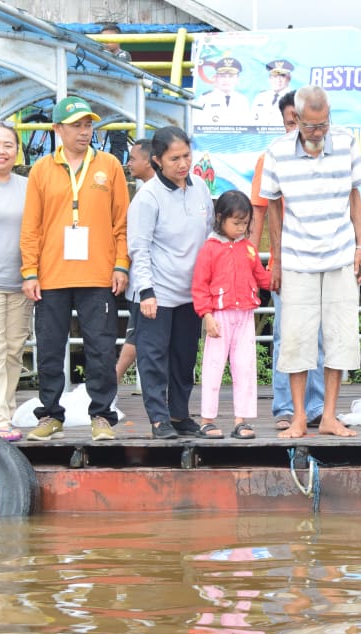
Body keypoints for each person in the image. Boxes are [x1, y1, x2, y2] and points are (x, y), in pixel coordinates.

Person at [261, 85, 361, 439]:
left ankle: (328, 415)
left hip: (340, 254)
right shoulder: (277, 151)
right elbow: (273, 206)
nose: (317, 132)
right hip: (296, 258)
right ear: (295, 120)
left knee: (340, 338)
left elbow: (355, 195)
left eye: (323, 124)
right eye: (310, 126)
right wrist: (276, 259)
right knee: (296, 340)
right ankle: (298, 417)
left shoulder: (346, 143)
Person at [20, 96, 130, 441]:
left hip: (99, 274)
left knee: (100, 347)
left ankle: (101, 416)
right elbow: (31, 227)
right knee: (51, 348)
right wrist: (30, 271)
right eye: (76, 125)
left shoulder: (109, 165)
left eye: (88, 125)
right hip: (51, 275)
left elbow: (122, 223)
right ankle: (50, 415)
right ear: (58, 129)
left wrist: (121, 264)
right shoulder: (40, 169)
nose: (84, 132)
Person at [127, 126, 213, 439]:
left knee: (184, 357)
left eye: (186, 156)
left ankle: (179, 415)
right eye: (174, 158)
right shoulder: (148, 197)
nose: (182, 163)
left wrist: (206, 285)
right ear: (157, 161)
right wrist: (146, 291)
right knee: (153, 357)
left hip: (190, 291)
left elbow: (207, 235)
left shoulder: (200, 188)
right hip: (156, 292)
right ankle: (158, 418)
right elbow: (139, 247)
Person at [249, 90, 325, 431]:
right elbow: (258, 213)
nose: (294, 129)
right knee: (285, 336)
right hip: (285, 264)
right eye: (289, 123)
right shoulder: (271, 158)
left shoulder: (327, 155)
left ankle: (318, 406)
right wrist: (248, 263)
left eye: (300, 122)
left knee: (320, 337)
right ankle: (283, 407)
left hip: (322, 261)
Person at [191, 191, 272, 440]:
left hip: (245, 316)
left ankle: (241, 420)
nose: (240, 228)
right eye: (235, 223)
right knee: (213, 368)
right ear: (220, 218)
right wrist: (206, 315)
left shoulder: (248, 249)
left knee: (245, 368)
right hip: (219, 316)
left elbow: (262, 277)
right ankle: (207, 420)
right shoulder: (210, 248)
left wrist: (280, 275)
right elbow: (199, 285)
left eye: (244, 223)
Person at [0, 122, 31, 442]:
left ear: (17, 150)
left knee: (14, 352)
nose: (1, 151)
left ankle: (6, 414)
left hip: (23, 283)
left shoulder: (27, 186)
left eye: (8, 145)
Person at [116, 137, 156, 386]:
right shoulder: (144, 191)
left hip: (149, 280)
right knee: (137, 334)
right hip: (143, 280)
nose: (128, 163)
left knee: (137, 335)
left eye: (132, 158)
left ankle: (112, 380)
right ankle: (113, 381)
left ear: (150, 161)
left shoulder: (150, 193)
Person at [98, 23, 131, 164]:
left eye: (109, 38)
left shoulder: (123, 55)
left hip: (121, 104)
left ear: (119, 39)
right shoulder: (100, 55)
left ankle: (123, 172)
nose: (105, 42)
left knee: (118, 141)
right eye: (102, 39)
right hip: (105, 102)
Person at [195, 57, 251, 126]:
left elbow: (247, 126)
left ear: (237, 79)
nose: (226, 80)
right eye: (222, 76)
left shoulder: (242, 100)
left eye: (231, 76)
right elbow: (197, 124)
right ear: (216, 78)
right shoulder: (205, 99)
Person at [251, 59, 293, 126]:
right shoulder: (260, 97)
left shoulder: (294, 98)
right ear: (269, 78)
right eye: (275, 76)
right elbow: (252, 121)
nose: (278, 80)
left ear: (289, 78)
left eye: (282, 76)